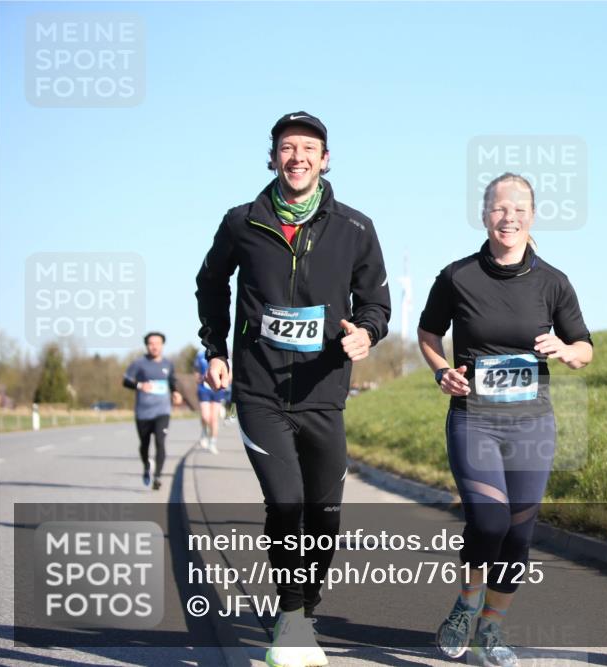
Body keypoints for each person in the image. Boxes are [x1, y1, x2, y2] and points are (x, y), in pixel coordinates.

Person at [195, 111, 390, 667]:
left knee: (324, 514)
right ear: (273, 156)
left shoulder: (354, 227)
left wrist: (367, 334)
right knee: (286, 503)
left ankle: (306, 604)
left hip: (324, 391)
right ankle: (292, 617)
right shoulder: (242, 222)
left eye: (308, 148)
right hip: (260, 390)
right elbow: (211, 283)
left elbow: (376, 301)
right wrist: (216, 349)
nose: (297, 156)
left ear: (325, 160)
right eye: (287, 147)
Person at [418, 173, 593, 667]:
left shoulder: (553, 281)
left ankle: (490, 630)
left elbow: (585, 348)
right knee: (489, 520)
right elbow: (428, 334)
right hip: (475, 420)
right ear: (484, 214)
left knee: (519, 533)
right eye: (499, 207)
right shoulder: (458, 276)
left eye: (519, 208)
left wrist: (564, 348)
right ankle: (467, 602)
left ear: (532, 216)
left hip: (532, 423)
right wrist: (442, 373)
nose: (508, 216)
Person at [122, 331, 183, 491]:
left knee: (160, 442)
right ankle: (146, 466)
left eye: (157, 343)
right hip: (143, 412)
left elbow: (171, 381)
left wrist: (175, 392)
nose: (154, 346)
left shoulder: (168, 364)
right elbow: (126, 381)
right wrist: (140, 385)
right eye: (151, 343)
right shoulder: (139, 363)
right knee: (144, 444)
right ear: (147, 346)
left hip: (162, 410)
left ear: (162, 345)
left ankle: (157, 476)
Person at [193, 349, 228, 453]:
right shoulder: (200, 354)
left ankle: (212, 442)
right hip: (204, 388)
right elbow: (196, 369)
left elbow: (228, 371)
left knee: (213, 419)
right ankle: (204, 432)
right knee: (205, 416)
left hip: (217, 389)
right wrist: (198, 378)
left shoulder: (224, 352)